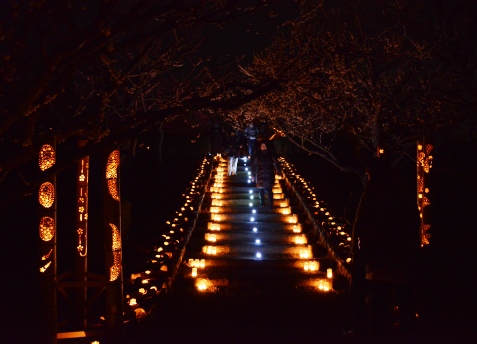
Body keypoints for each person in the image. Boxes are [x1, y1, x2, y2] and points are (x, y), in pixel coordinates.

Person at [351, 157, 421, 338]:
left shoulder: (372, 193)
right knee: (404, 296)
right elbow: (413, 221)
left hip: (379, 256)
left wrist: (359, 251)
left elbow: (361, 223)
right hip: (402, 255)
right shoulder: (402, 191)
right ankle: (407, 330)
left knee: (378, 300)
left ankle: (378, 333)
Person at [251, 140, 281, 211]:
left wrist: (278, 171)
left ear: (266, 147)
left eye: (264, 146)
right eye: (262, 146)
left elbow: (275, 162)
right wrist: (253, 175)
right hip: (260, 173)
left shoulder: (270, 154)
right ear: (260, 147)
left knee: (269, 189)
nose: (263, 147)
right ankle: (262, 204)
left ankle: (271, 206)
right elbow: (253, 165)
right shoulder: (257, 155)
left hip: (269, 173)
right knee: (260, 189)